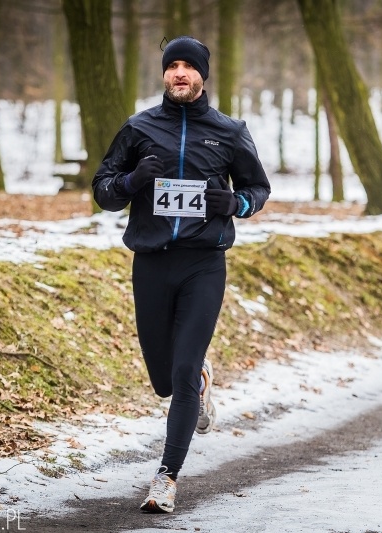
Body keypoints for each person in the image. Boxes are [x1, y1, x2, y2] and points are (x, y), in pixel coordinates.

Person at [92, 35, 271, 513]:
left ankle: (165, 478)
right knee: (164, 381)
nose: (179, 74)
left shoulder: (230, 132)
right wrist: (132, 181)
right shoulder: (139, 128)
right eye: (172, 66)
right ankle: (197, 384)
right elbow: (103, 191)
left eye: (189, 67)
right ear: (164, 74)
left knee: (185, 369)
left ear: (202, 76)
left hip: (203, 263)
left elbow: (258, 188)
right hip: (151, 262)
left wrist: (234, 202)